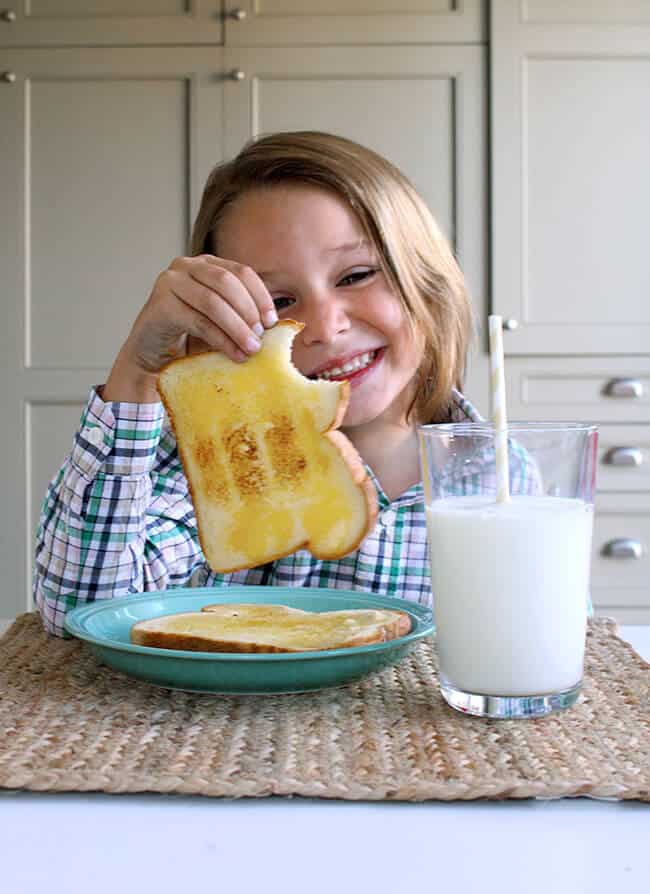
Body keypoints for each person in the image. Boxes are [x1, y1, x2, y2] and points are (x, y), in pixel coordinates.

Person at [33, 131, 534, 638]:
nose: (324, 326)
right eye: (279, 302)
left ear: (426, 280)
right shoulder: (202, 467)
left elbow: (541, 642)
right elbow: (81, 617)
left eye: (357, 274)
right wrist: (137, 372)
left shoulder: (503, 473)